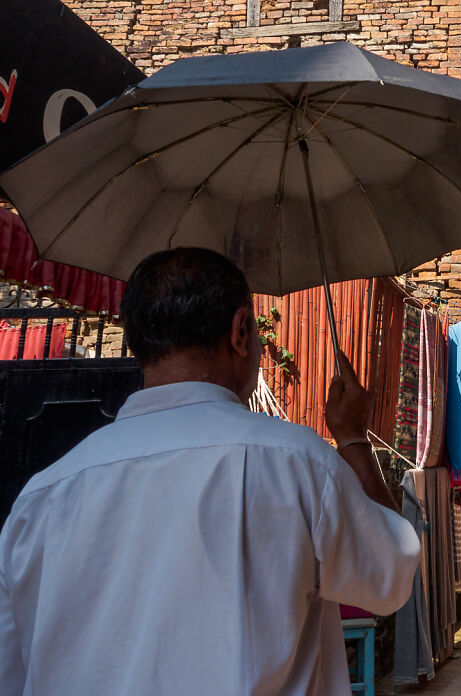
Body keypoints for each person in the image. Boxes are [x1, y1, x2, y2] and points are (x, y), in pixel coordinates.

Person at [0, 248, 421, 695]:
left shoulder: (40, 501)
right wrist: (353, 438)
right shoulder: (299, 465)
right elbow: (391, 578)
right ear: (241, 331)